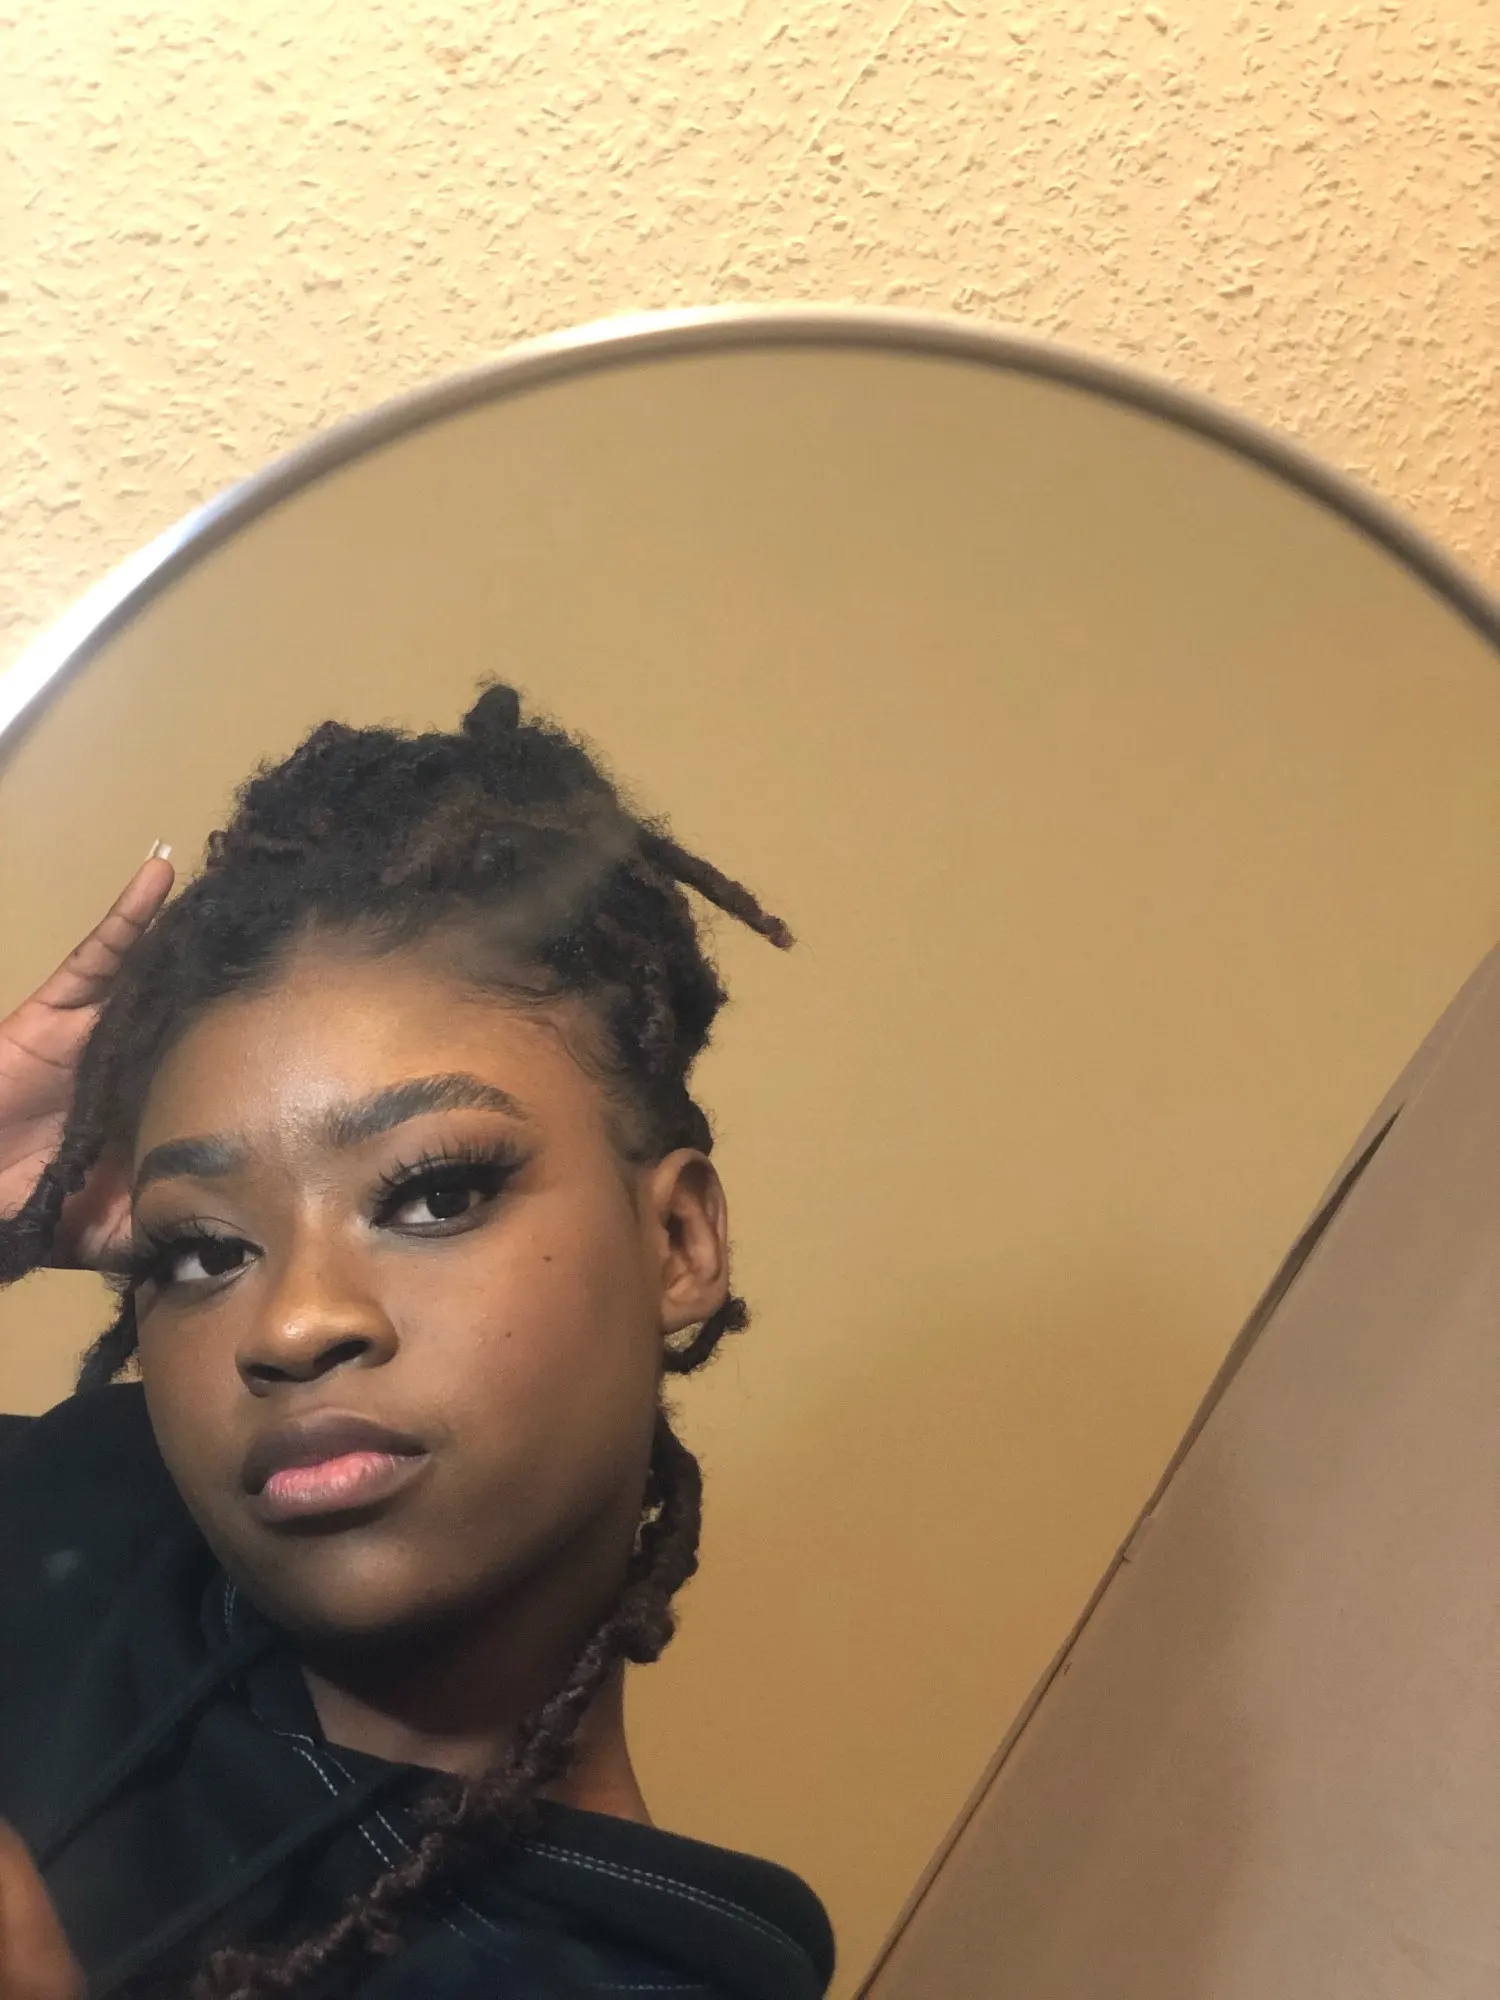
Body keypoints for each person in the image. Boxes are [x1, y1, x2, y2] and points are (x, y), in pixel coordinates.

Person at [0, 685, 834, 2000]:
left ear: (678, 1240)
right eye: (203, 1251)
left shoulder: (624, 1973)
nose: (292, 1323)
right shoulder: (78, 1512)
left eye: (435, 1195)